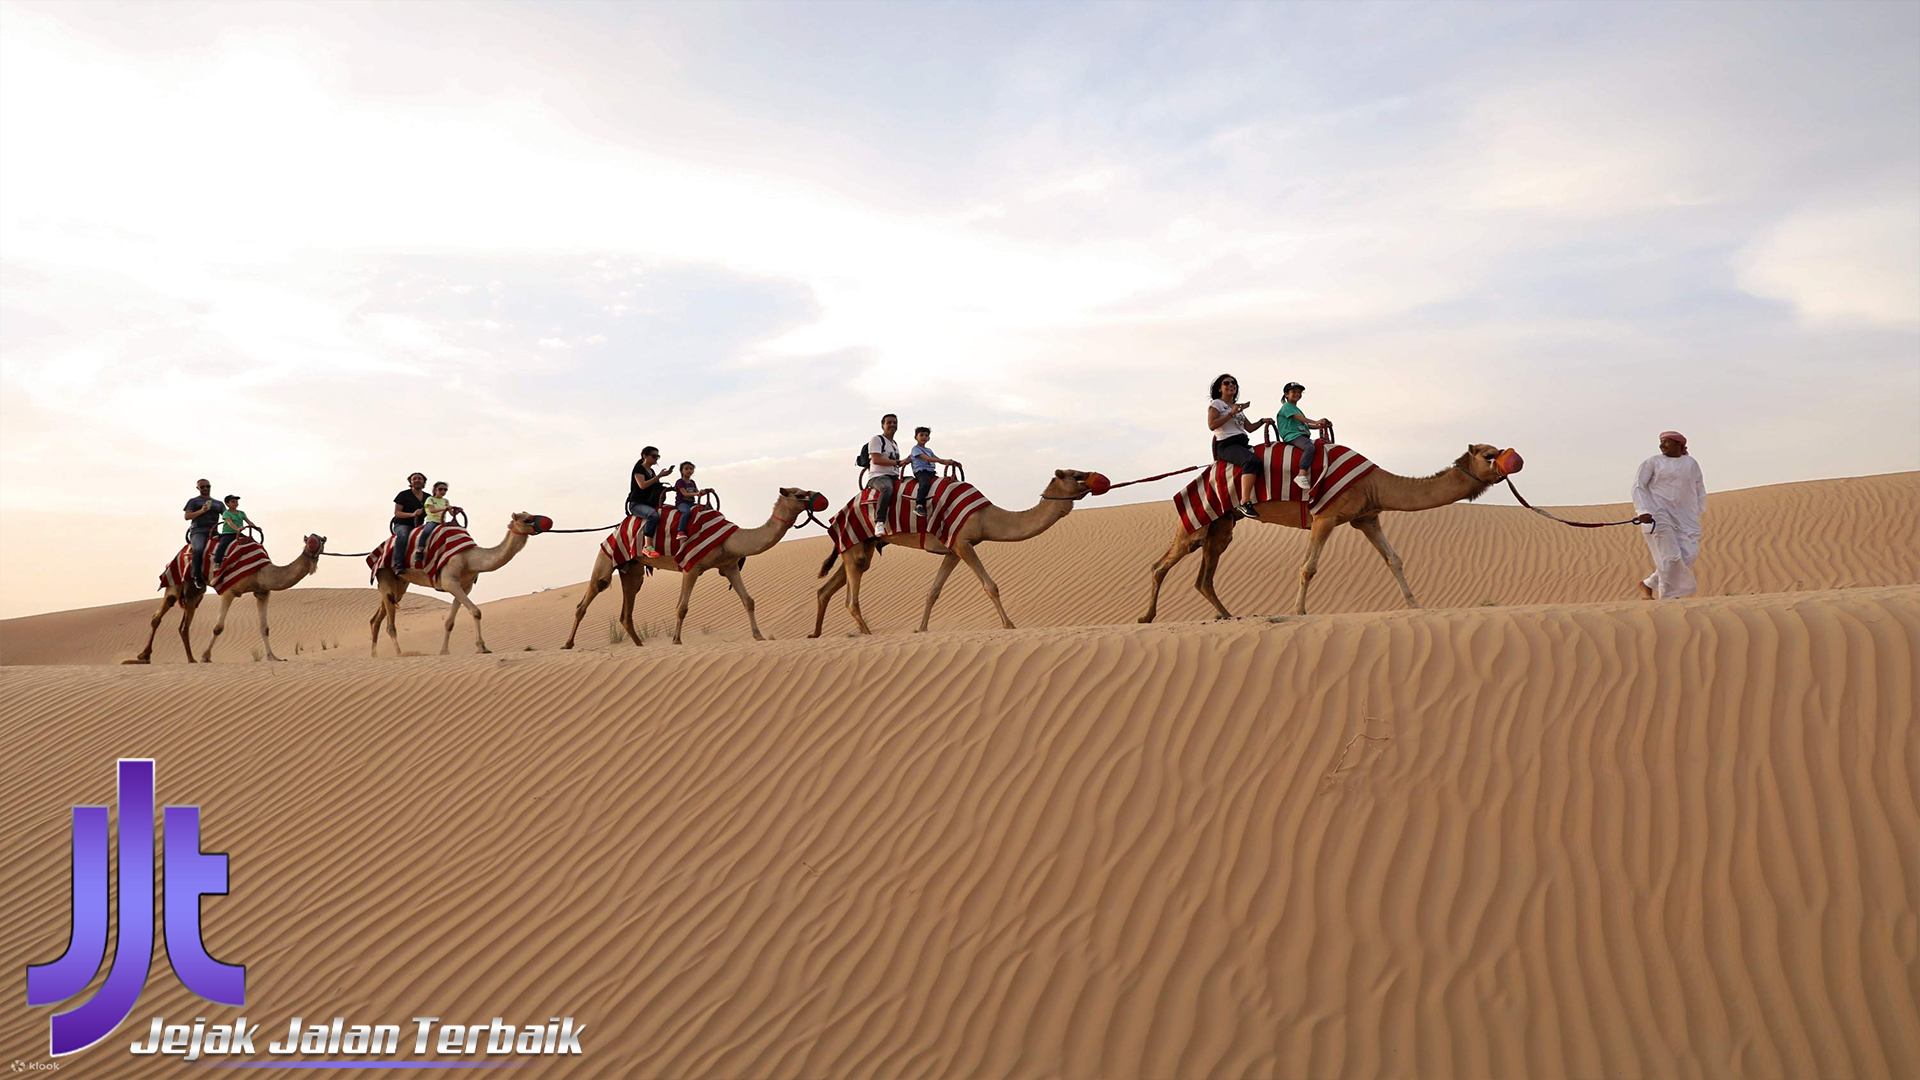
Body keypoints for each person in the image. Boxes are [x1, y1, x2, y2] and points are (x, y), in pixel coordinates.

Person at [1631, 431, 1707, 599]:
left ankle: (1648, 583)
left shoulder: (1691, 463)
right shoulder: (1652, 462)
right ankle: (1668, 600)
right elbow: (1638, 487)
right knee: (1671, 558)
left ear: (1679, 444)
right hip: (1658, 515)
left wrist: (1698, 510)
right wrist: (1643, 510)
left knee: (1689, 555)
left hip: (1687, 517)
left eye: (1666, 442)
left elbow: (1699, 487)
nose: (1662, 445)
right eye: (1661, 441)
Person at [1207, 374, 1268, 518]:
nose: (1231, 385)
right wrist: (1231, 414)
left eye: (1233, 383)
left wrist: (1262, 421)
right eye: (1226, 383)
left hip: (1242, 443)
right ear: (1219, 388)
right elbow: (1212, 425)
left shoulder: (1235, 407)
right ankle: (1244, 501)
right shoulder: (1217, 404)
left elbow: (1250, 427)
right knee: (1251, 461)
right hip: (1227, 444)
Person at [1275, 382, 1329, 491]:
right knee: (1309, 447)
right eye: (1293, 392)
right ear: (1286, 394)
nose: (1297, 394)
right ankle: (1301, 474)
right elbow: (1299, 418)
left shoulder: (1296, 409)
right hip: (1292, 435)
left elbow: (1305, 425)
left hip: (1301, 434)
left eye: (1299, 392)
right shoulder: (1287, 407)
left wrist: (1319, 426)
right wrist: (1317, 421)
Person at [907, 426, 958, 518]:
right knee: (925, 484)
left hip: (931, 472)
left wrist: (949, 462)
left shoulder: (929, 450)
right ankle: (919, 505)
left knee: (941, 485)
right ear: (916, 437)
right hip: (921, 472)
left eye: (926, 435)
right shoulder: (916, 449)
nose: (924, 437)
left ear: (929, 438)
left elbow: (936, 459)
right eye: (921, 435)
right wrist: (943, 460)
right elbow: (929, 459)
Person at [626, 446, 665, 558]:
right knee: (653, 516)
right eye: (654, 456)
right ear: (645, 456)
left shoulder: (651, 471)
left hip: (650, 503)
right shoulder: (639, 469)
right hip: (637, 504)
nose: (656, 459)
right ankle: (647, 546)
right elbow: (642, 485)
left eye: (658, 456)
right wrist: (659, 476)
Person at [182, 478, 222, 588]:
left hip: (214, 531)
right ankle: (196, 576)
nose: (205, 489)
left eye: (207, 486)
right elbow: (187, 516)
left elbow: (227, 516)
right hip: (198, 531)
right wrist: (202, 511)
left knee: (228, 545)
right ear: (198, 488)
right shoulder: (193, 501)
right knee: (198, 549)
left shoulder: (218, 503)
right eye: (202, 487)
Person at [390, 472, 428, 573]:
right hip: (403, 524)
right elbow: (397, 513)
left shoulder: (429, 498)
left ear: (424, 481)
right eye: (414, 479)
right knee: (403, 535)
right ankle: (399, 564)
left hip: (420, 526)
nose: (417, 481)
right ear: (410, 482)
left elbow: (434, 511)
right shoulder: (403, 495)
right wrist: (413, 514)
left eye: (419, 479)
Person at [866, 413, 906, 509]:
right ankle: (880, 520)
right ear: (882, 426)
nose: (892, 425)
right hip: (878, 476)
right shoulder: (877, 439)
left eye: (895, 423)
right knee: (887, 488)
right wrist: (899, 462)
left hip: (894, 476)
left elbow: (893, 463)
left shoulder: (894, 444)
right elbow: (876, 460)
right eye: (889, 422)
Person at [670, 461, 711, 539]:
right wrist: (697, 493)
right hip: (682, 503)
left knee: (706, 508)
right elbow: (685, 494)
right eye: (686, 469)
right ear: (682, 471)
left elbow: (697, 492)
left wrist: (705, 491)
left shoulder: (692, 482)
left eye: (691, 469)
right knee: (686, 512)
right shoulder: (680, 482)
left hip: (691, 503)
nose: (689, 471)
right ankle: (680, 531)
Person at [420, 481, 461, 550]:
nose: (443, 491)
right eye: (440, 489)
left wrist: (457, 511)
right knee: (426, 531)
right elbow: (432, 510)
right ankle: (420, 548)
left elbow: (452, 514)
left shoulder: (445, 501)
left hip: (442, 522)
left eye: (445, 489)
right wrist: (444, 508)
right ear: (435, 489)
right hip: (432, 521)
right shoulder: (430, 499)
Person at [213, 494, 250, 566]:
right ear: (227, 504)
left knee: (251, 541)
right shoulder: (226, 513)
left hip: (238, 534)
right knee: (222, 545)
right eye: (233, 502)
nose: (235, 503)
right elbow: (229, 523)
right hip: (228, 534)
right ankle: (217, 561)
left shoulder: (241, 513)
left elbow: (249, 521)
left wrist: (255, 527)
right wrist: (237, 528)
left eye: (236, 502)